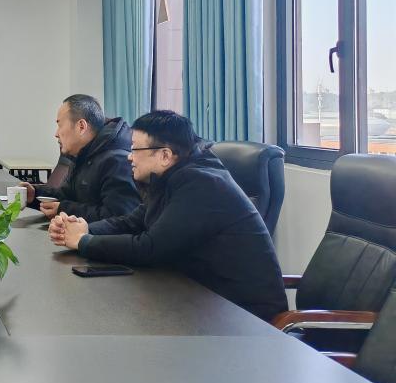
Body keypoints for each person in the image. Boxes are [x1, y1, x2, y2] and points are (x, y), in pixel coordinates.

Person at [49, 110, 287, 322]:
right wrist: (84, 228)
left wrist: (84, 242)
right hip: (201, 300)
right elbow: (131, 222)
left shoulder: (201, 184)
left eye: (135, 149)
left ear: (165, 155)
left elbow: (150, 247)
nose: (129, 157)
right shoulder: (170, 177)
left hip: (243, 317)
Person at [19, 94, 140, 222]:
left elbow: (119, 218)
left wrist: (64, 209)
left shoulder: (117, 161)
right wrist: (35, 195)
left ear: (81, 126)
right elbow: (67, 196)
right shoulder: (83, 154)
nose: (56, 134)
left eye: (60, 125)